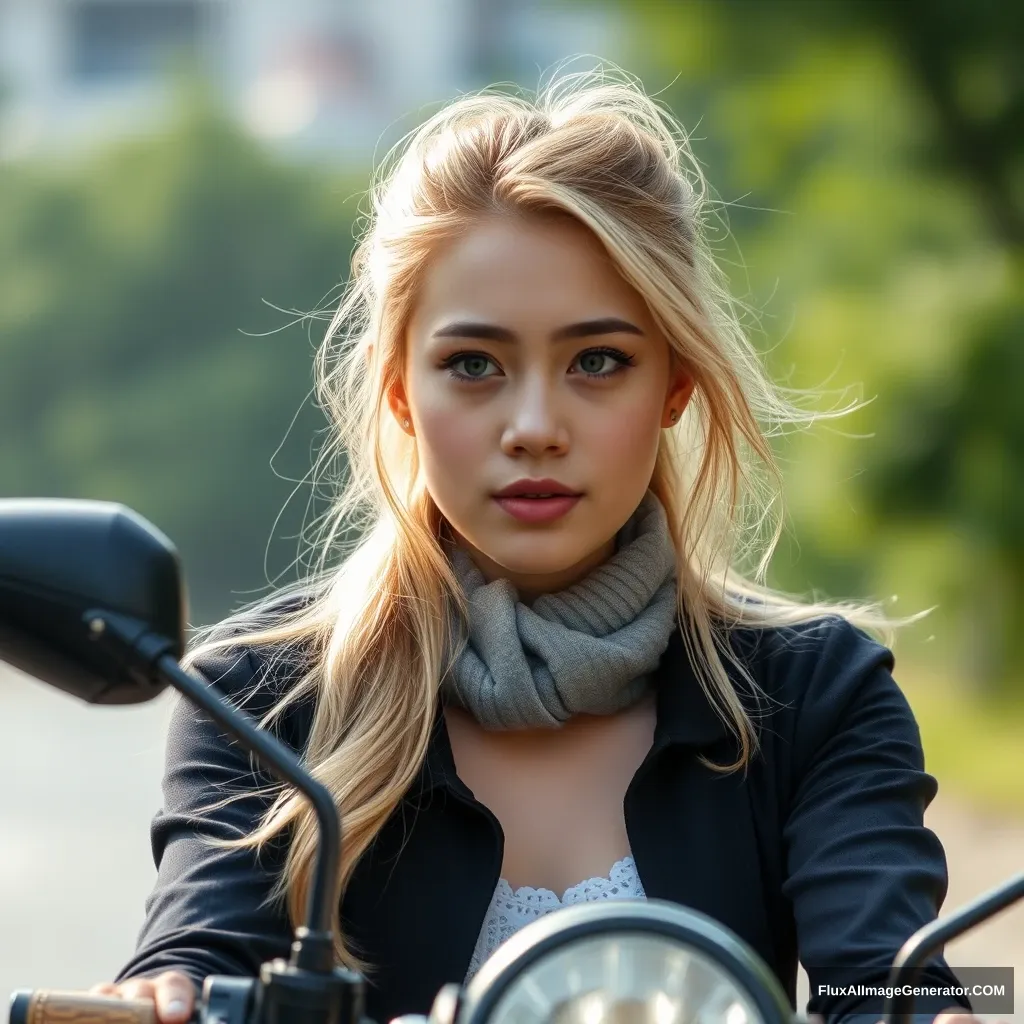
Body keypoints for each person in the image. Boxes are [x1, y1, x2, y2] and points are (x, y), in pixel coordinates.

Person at [90, 67, 988, 1024]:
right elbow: (195, 952)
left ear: (675, 386)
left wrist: (925, 1009)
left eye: (597, 361)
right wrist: (161, 996)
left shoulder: (817, 691)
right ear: (401, 391)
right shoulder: (257, 699)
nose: (533, 426)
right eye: (472, 365)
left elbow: (886, 979)